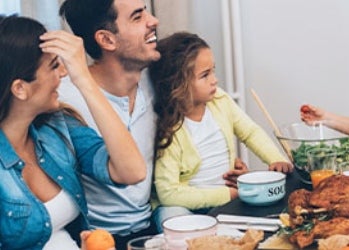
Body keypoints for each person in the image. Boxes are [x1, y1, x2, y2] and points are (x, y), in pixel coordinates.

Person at [56, 1, 250, 249]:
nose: (153, 21)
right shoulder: (64, 97)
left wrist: (223, 165)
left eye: (146, 10)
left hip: (156, 224)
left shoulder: (161, 80)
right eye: (137, 17)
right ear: (106, 40)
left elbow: (206, 120)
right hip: (98, 239)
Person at [0, 15, 145, 249]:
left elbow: (132, 171)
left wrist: (85, 80)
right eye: (53, 66)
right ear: (20, 89)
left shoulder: (58, 128)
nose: (64, 74)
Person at [148, 32, 292, 230]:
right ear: (178, 84)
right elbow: (168, 193)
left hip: (224, 198)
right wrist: (229, 194)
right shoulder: (170, 128)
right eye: (205, 75)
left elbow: (250, 132)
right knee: (173, 218)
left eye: (213, 71)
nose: (214, 80)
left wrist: (275, 159)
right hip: (185, 205)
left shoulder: (220, 101)